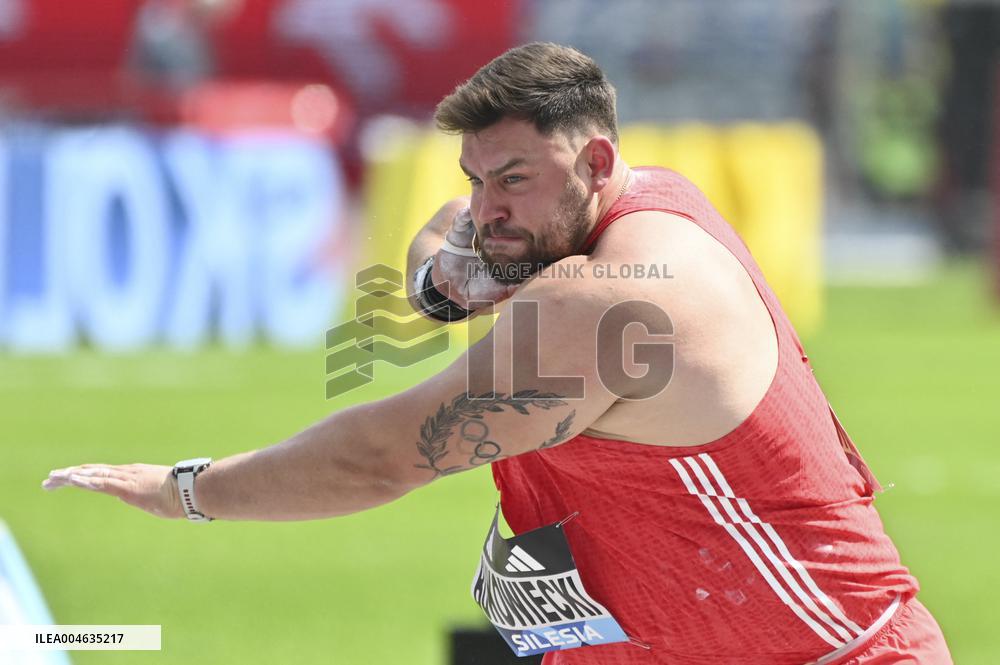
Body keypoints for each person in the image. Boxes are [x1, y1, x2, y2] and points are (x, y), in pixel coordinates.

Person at [43, 43, 951, 664]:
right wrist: (446, 282)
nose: (487, 208)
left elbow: (380, 456)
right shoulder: (618, 206)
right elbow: (444, 239)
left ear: (596, 161)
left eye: (513, 179)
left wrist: (189, 490)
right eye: (478, 178)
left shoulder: (607, 301)